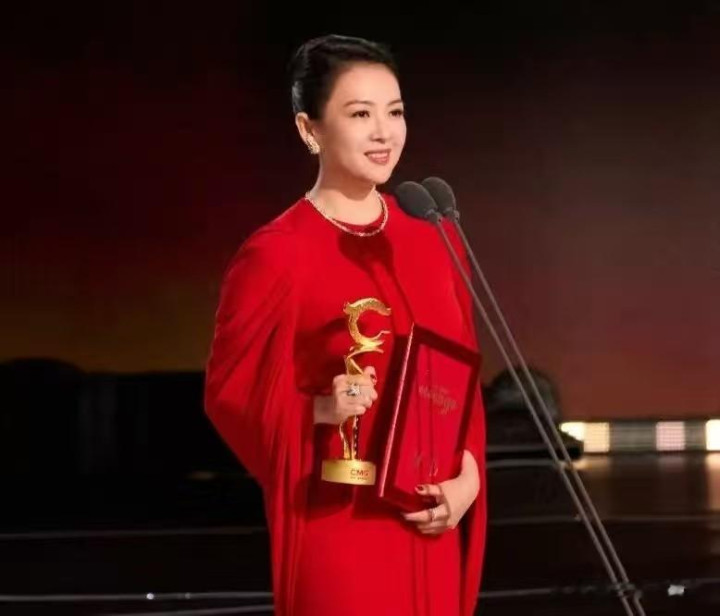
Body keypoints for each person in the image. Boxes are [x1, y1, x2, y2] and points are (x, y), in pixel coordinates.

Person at [204, 34, 487, 616]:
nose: (384, 133)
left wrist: (468, 480)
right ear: (309, 129)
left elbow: (462, 387)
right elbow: (230, 396)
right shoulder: (277, 253)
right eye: (360, 114)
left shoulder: (433, 236)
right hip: (339, 524)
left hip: (429, 514)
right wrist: (320, 409)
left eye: (395, 112)